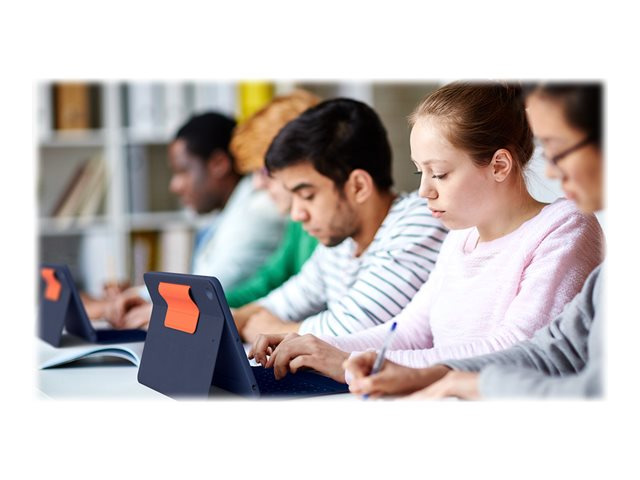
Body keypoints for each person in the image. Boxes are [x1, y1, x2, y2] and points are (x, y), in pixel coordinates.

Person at [248, 81, 604, 387]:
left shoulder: (562, 228)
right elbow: (408, 331)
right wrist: (318, 346)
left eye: (440, 174)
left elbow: (515, 348)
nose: (424, 191)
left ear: (499, 165)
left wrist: (354, 362)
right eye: (421, 172)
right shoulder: (459, 238)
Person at [233, 98, 448, 343]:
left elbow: (349, 331)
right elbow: (283, 302)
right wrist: (234, 320)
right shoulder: (342, 242)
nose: (297, 214)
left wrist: (267, 329)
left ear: (358, 186)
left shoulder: (419, 222)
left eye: (307, 196)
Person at [86, 111, 286, 329]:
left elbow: (210, 289)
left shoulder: (257, 210)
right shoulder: (230, 211)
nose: (174, 186)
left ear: (219, 164)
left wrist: (136, 300)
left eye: (182, 171)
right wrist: (136, 295)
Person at [224, 89, 321, 308]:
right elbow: (265, 283)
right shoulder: (297, 224)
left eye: (264, 172)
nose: (257, 185)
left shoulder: (327, 226)